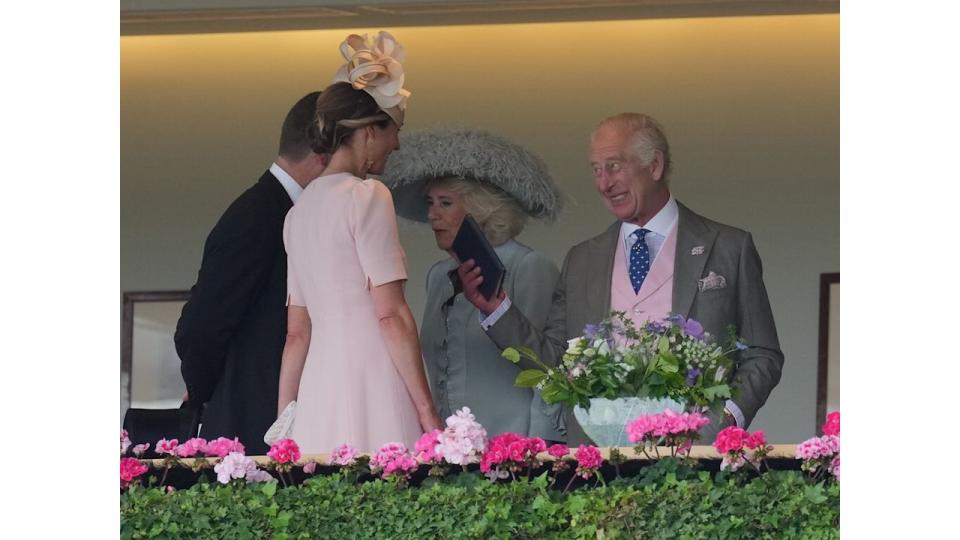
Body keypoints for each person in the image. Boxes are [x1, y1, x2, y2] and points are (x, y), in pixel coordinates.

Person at [458, 113, 784, 445]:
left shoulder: (729, 247)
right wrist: (497, 310)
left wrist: (724, 419)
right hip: (599, 462)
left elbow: (763, 354)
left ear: (654, 166)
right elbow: (556, 361)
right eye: (596, 170)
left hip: (694, 458)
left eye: (614, 166)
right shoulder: (582, 260)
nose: (603, 183)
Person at [277, 31, 441, 453]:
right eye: (394, 130)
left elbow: (297, 334)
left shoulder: (297, 213)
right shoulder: (367, 196)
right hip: (373, 377)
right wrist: (426, 411)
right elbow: (390, 315)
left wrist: (284, 425)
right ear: (369, 132)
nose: (398, 142)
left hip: (319, 391)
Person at [382, 128, 566, 442]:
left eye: (445, 203)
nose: (432, 214)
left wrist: (539, 448)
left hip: (512, 446)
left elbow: (545, 365)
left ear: (479, 211)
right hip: (450, 450)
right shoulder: (439, 276)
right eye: (430, 203)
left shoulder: (528, 267)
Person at [175, 91, 329, 455]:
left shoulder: (288, 213)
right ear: (324, 154)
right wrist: (204, 394)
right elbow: (199, 327)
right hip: (247, 426)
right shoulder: (257, 216)